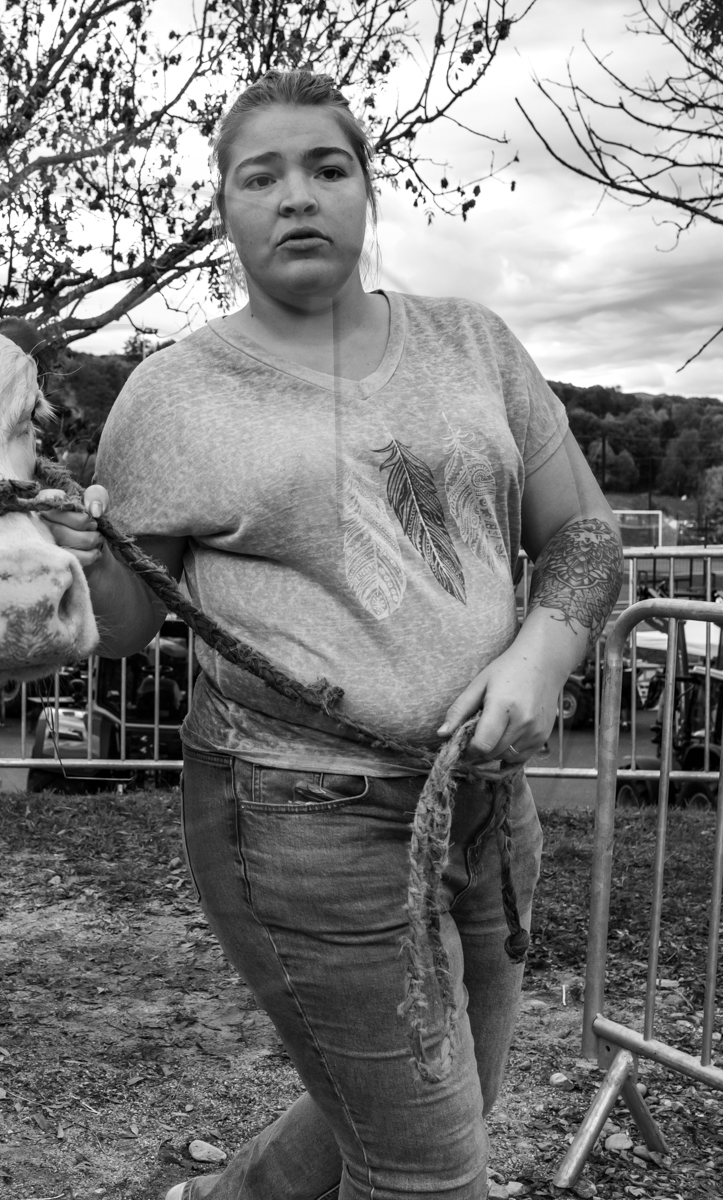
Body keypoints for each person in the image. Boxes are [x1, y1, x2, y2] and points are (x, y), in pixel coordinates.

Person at [40, 69, 623, 1200]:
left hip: (485, 809)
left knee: (435, 1110)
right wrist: (84, 558)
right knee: (430, 1170)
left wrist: (543, 650)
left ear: (366, 191)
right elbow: (122, 628)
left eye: (326, 167)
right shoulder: (171, 395)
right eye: (261, 177)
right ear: (226, 209)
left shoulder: (475, 345)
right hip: (299, 816)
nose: (297, 195)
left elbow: (586, 536)